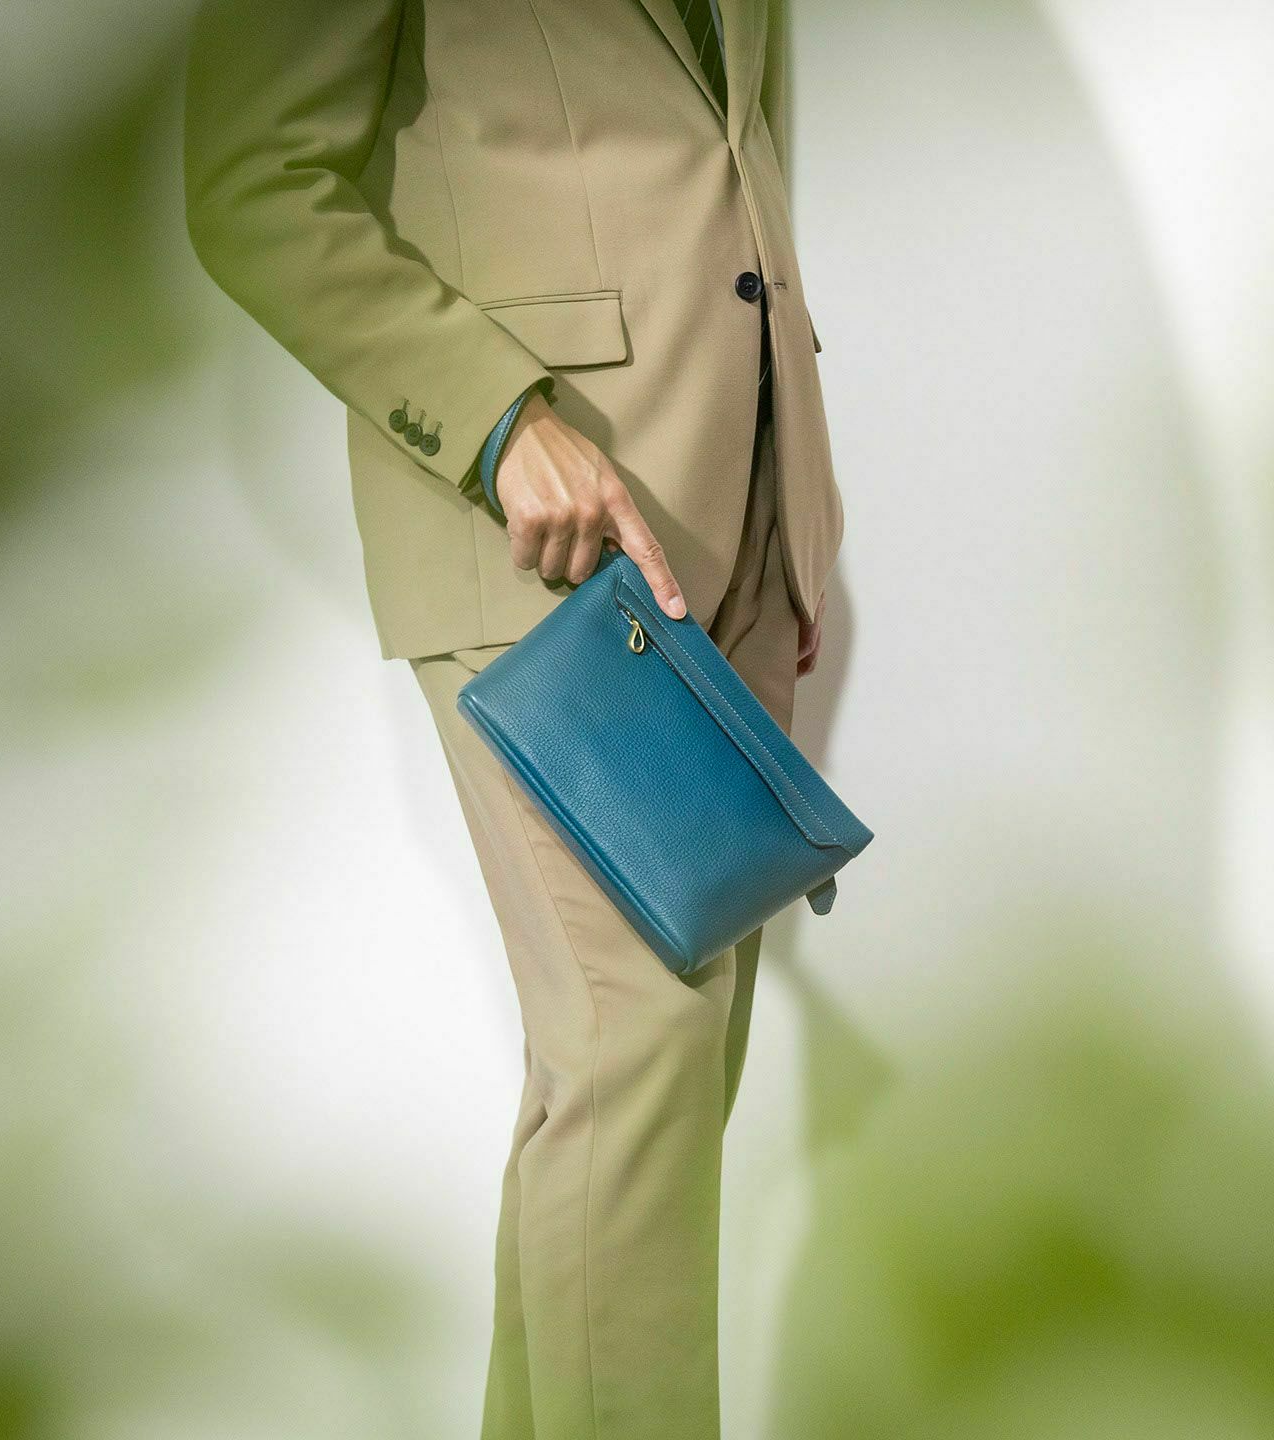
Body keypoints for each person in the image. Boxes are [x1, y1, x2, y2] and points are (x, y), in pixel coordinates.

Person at [183, 2, 844, 1435]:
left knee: (634, 1086)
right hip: (546, 531)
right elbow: (252, 184)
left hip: (733, 503)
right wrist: (500, 421)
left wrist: (794, 482)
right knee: (640, 1054)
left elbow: (728, 136)